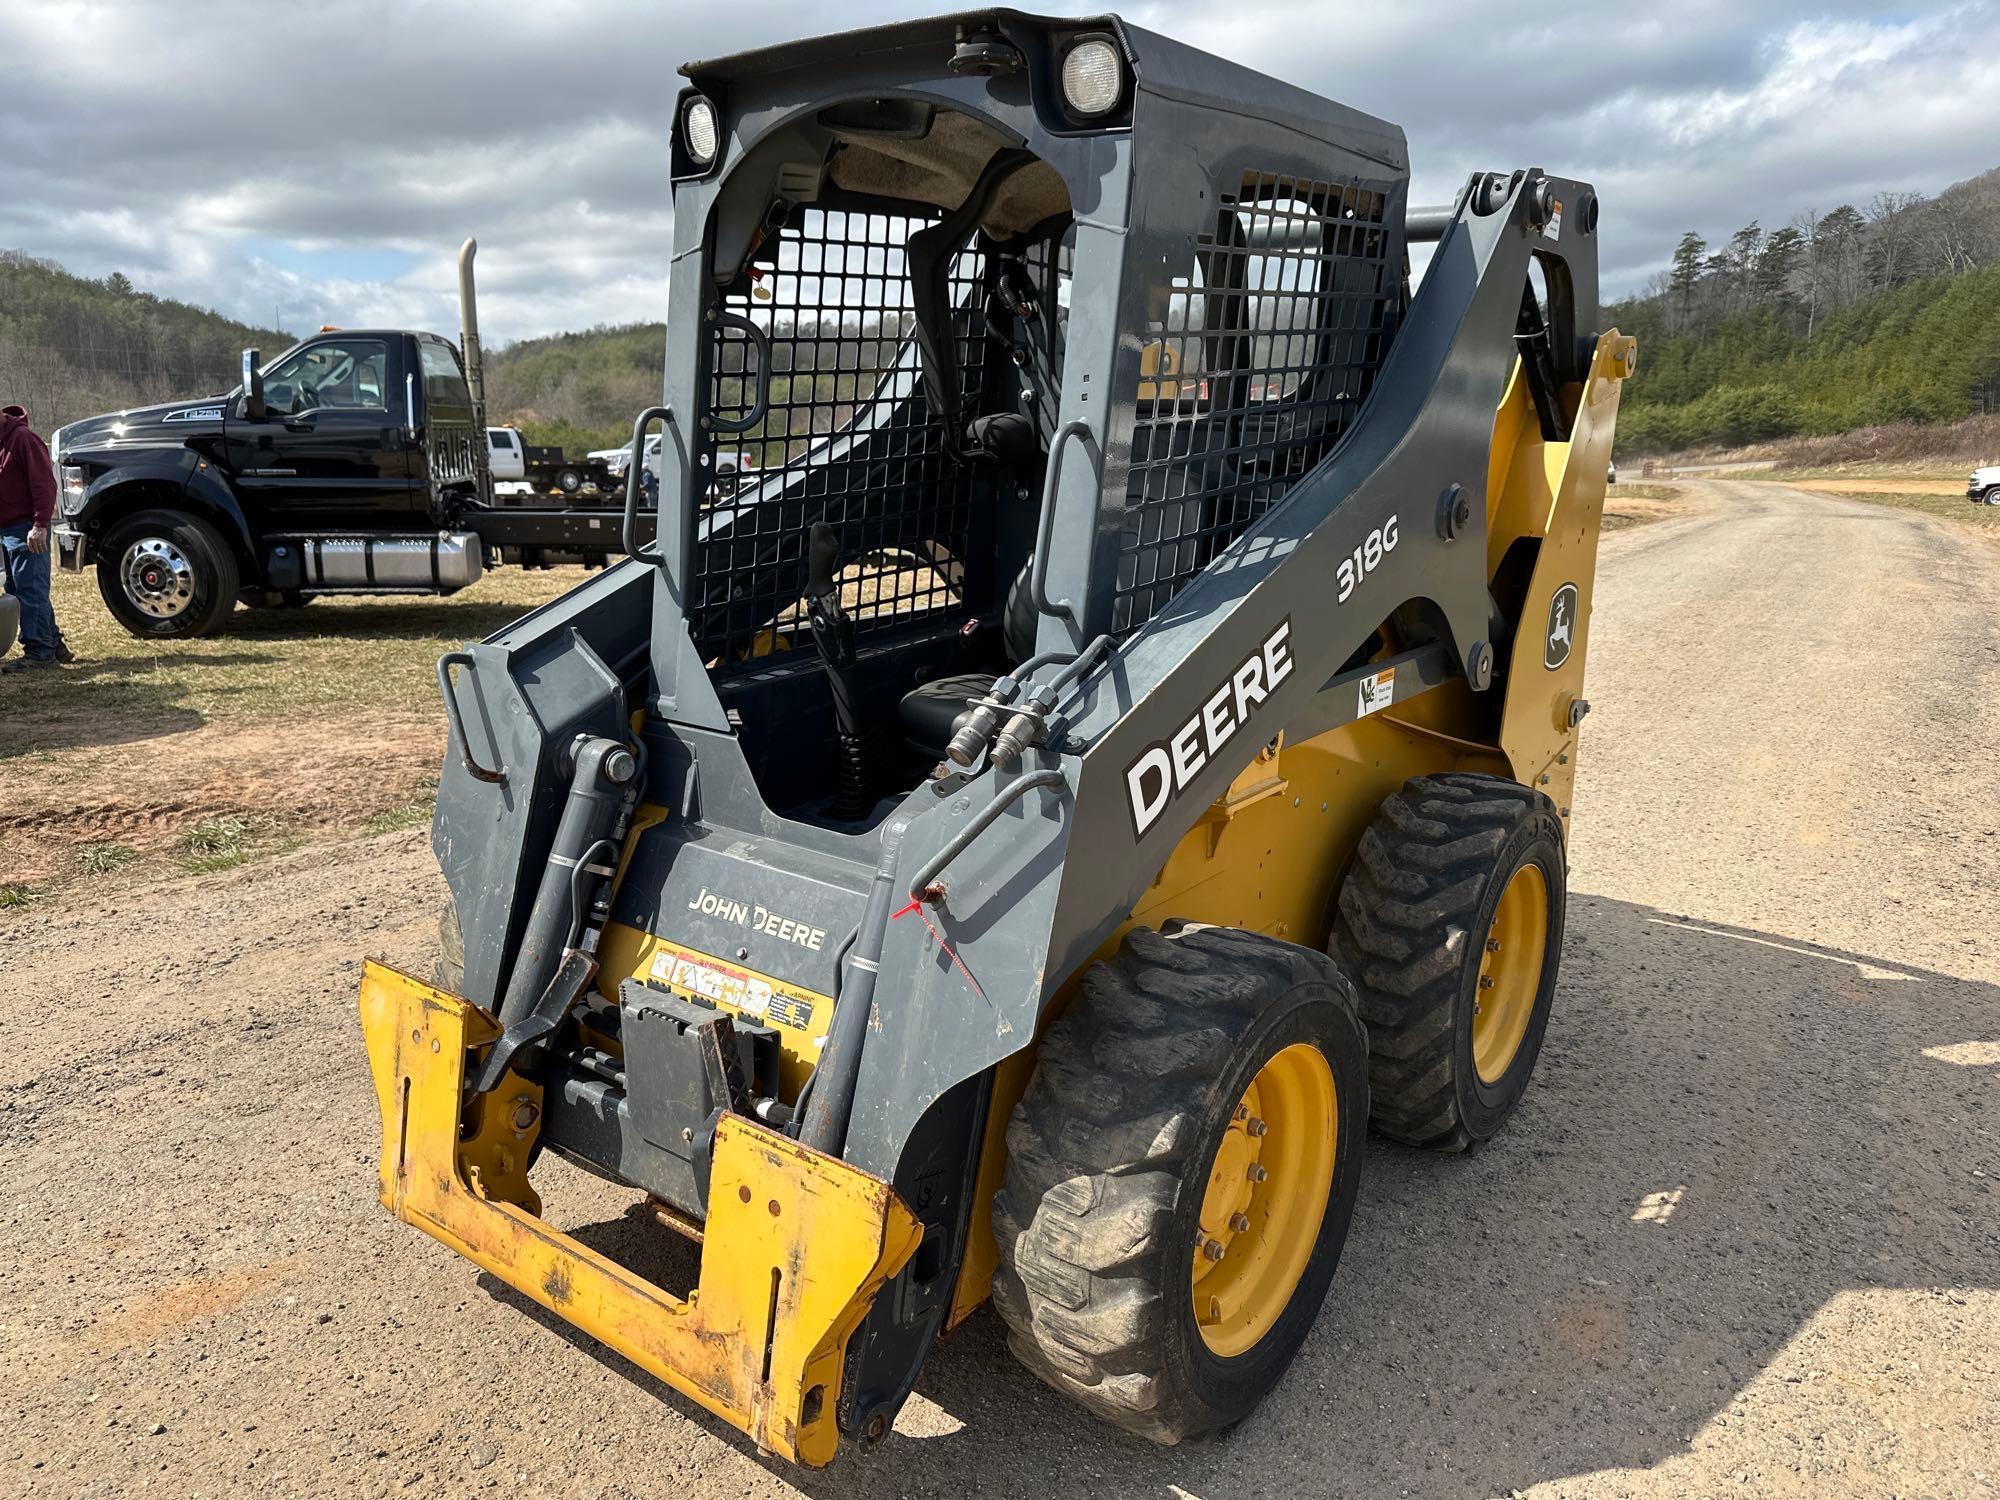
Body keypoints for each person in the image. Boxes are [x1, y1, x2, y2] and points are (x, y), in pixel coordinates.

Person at [0, 402, 73, 673]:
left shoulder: (23, 439)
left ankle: (40, 652)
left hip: (26, 528)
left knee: (30, 590)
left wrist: (40, 524)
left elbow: (44, 484)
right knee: (19, 589)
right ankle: (53, 643)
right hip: (6, 530)